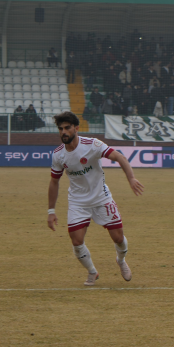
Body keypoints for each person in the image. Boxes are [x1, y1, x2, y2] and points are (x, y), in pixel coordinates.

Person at [47, 111, 145, 286]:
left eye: (67, 128)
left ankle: (121, 261)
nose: (64, 132)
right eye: (60, 129)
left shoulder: (92, 144)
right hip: (78, 202)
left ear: (76, 128)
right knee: (76, 241)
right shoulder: (58, 155)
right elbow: (54, 182)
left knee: (118, 238)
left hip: (102, 199)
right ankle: (92, 272)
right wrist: (51, 211)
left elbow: (119, 157)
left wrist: (131, 178)